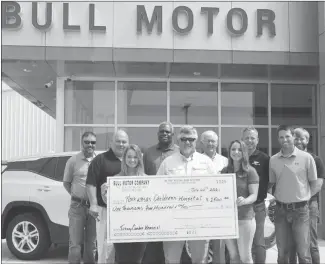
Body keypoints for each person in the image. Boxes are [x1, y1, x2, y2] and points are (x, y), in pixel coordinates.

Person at [157, 125, 216, 264]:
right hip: (173, 220)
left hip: (199, 220)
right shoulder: (167, 162)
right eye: (183, 139)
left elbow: (216, 188)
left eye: (191, 139)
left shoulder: (206, 162)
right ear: (178, 140)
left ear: (196, 141)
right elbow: (157, 188)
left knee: (200, 260)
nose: (187, 142)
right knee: (171, 260)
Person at [268, 125, 317, 264]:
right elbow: (271, 183)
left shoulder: (306, 158)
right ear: (278, 139)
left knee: (303, 253)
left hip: (301, 211)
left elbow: (314, 183)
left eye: (288, 136)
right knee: (282, 252)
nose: (285, 139)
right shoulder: (273, 160)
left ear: (293, 137)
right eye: (281, 137)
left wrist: (303, 197)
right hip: (280, 210)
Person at [86, 130, 129, 264]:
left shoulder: (131, 160)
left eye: (124, 142)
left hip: (126, 212)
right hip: (105, 211)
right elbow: (90, 183)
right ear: (111, 142)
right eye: (118, 141)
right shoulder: (100, 159)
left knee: (124, 248)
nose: (121, 144)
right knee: (105, 247)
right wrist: (93, 204)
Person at [101, 144, 148, 264]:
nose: (132, 160)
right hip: (121, 228)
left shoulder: (146, 179)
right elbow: (110, 204)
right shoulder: (116, 179)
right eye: (129, 157)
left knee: (137, 261)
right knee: (122, 260)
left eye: (135, 157)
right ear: (124, 159)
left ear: (139, 159)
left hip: (140, 228)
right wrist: (103, 192)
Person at [142, 121, 179, 264]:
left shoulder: (178, 151)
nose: (164, 134)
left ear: (172, 134)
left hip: (173, 204)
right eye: (162, 131)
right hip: (152, 204)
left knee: (172, 243)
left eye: (167, 132)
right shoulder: (148, 152)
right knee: (153, 242)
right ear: (157, 134)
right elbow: (142, 175)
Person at [289, 127, 324, 264]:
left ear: (307, 140)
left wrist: (301, 197)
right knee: (292, 244)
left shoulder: (315, 160)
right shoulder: (287, 158)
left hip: (309, 205)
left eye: (301, 138)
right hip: (289, 206)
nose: (298, 141)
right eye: (295, 138)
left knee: (311, 244)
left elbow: (318, 186)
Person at [221, 140, 259, 264]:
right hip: (227, 221)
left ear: (244, 152)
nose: (236, 152)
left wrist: (244, 201)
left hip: (244, 219)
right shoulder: (224, 171)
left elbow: (254, 195)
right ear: (229, 152)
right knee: (233, 257)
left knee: (245, 257)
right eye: (233, 149)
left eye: (239, 150)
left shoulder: (250, 171)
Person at [63, 132, 97, 264]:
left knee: (91, 244)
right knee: (75, 244)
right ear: (82, 143)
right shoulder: (73, 160)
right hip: (77, 207)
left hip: (94, 209)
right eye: (87, 142)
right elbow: (66, 183)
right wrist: (77, 196)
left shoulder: (98, 160)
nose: (90, 145)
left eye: (93, 142)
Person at [242, 127, 270, 264]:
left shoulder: (265, 159)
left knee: (258, 241)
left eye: (252, 138)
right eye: (247, 137)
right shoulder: (237, 156)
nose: (249, 140)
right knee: (242, 242)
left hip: (257, 206)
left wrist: (260, 193)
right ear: (242, 139)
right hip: (240, 207)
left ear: (257, 140)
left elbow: (270, 181)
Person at [200, 130, 228, 264]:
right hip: (201, 210)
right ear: (202, 143)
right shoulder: (197, 161)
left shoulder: (225, 161)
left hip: (220, 211)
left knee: (220, 248)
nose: (211, 144)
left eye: (213, 141)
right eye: (207, 141)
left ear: (217, 143)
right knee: (202, 248)